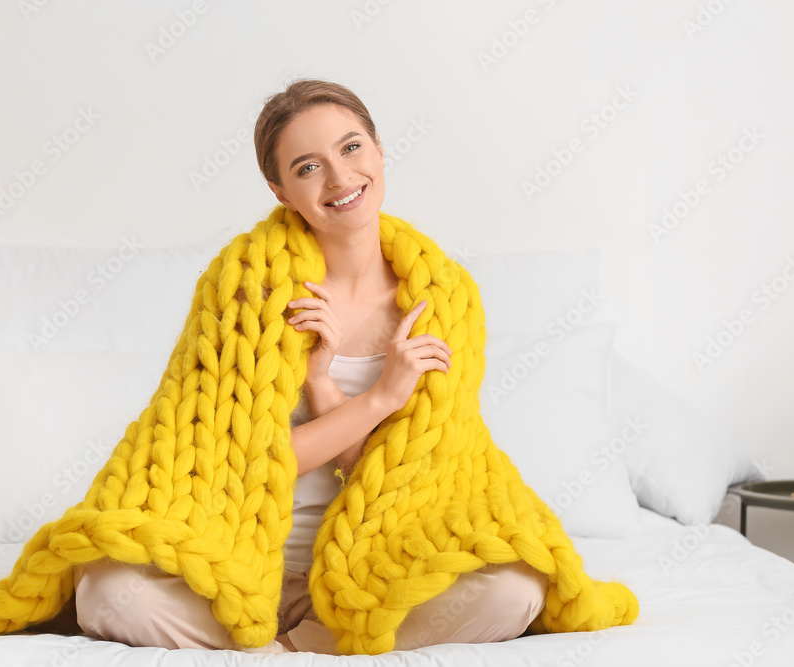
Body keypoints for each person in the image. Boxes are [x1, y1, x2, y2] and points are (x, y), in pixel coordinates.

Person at [71, 78, 549, 654]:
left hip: (383, 558)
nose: (340, 178)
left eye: (351, 148)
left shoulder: (446, 300)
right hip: (236, 557)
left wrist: (325, 385)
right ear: (279, 189)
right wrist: (377, 399)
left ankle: (293, 647)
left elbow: (400, 479)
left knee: (514, 590)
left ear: (377, 149)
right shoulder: (247, 288)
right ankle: (318, 645)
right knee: (106, 590)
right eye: (307, 167)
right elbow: (238, 466)